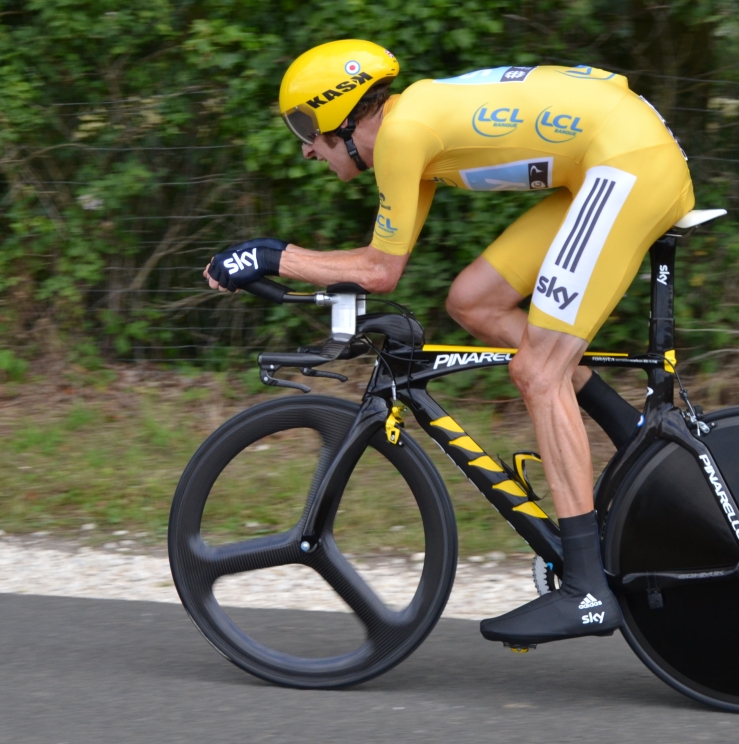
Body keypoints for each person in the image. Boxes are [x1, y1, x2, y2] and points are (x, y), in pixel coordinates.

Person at [205, 39, 694, 647]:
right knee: (474, 302)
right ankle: (633, 437)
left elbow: (378, 274)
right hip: (613, 155)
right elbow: (383, 263)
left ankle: (588, 589)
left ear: (343, 112)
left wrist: (273, 256)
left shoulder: (404, 134)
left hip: (626, 160)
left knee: (539, 371)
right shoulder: (414, 132)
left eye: (306, 127)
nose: (306, 147)